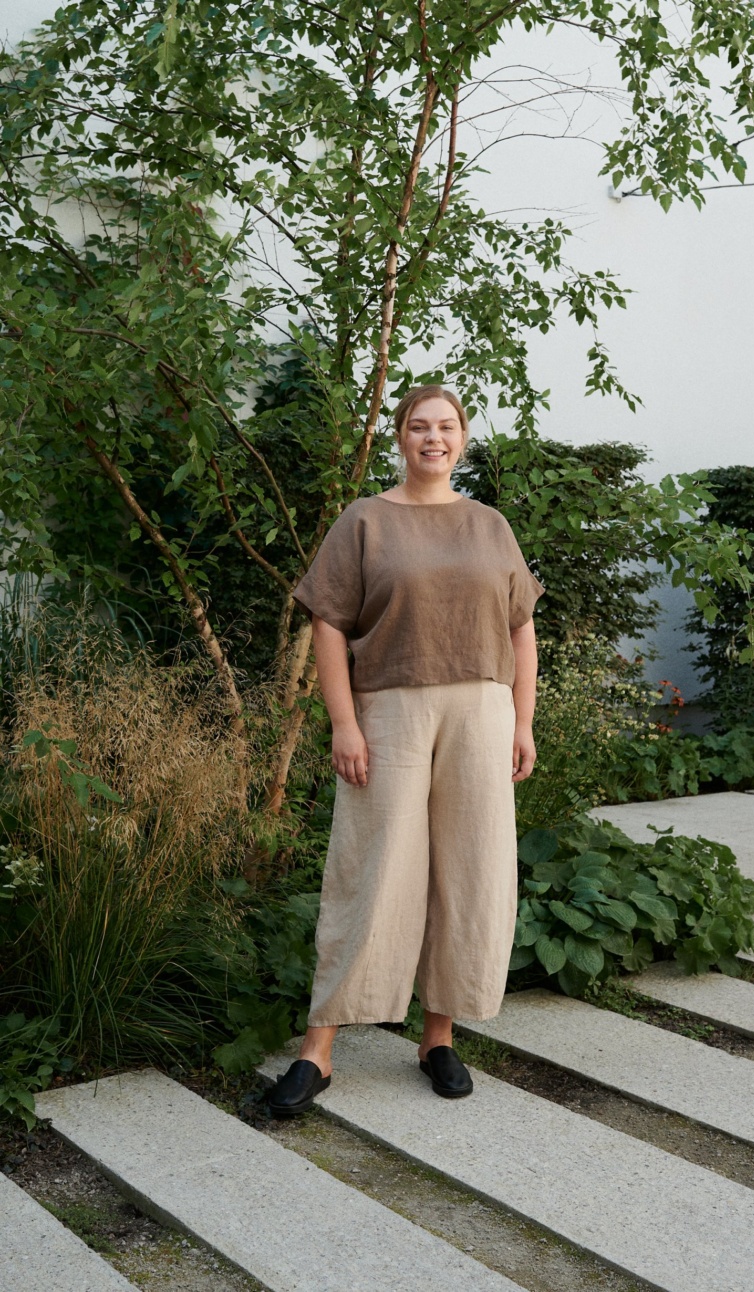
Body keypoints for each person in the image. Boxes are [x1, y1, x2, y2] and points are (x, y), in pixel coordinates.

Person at [266, 384, 543, 1115]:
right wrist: (344, 723)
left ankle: (438, 1038)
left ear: (463, 437)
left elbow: (521, 629)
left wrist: (523, 721)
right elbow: (328, 623)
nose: (433, 438)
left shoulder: (489, 525)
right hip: (389, 709)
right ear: (400, 436)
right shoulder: (365, 521)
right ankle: (317, 1050)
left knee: (470, 867)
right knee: (370, 865)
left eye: (446, 426)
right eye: (419, 426)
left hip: (481, 710)